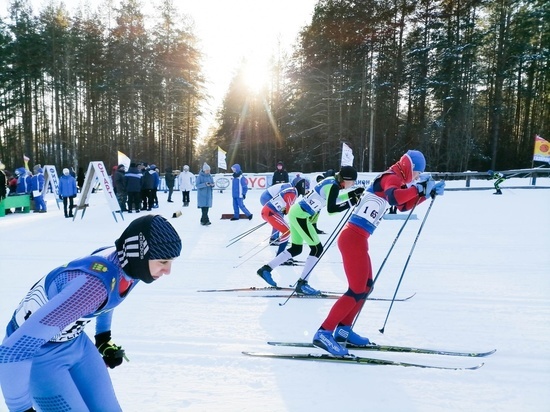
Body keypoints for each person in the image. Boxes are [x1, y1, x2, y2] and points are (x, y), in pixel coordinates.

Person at [0, 215, 182, 411]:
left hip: (75, 344)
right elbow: (13, 350)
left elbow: (108, 298)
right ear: (138, 253)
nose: (167, 270)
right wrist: (20, 409)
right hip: (38, 356)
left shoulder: (129, 266)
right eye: (163, 261)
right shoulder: (92, 287)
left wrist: (103, 336)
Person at [312, 150, 445, 356]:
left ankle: (343, 331)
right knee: (356, 289)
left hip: (359, 238)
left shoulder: (397, 179)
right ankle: (324, 332)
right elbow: (394, 198)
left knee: (365, 287)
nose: (417, 177)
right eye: (417, 173)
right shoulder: (391, 177)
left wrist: (425, 194)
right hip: (352, 238)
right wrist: (418, 188)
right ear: (410, 167)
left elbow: (403, 205)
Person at [256, 166, 363, 295]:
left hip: (298, 213)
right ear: (346, 179)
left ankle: (265, 269)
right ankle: (302, 284)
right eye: (352, 182)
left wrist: (351, 195)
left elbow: (333, 200)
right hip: (300, 215)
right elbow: (331, 210)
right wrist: (351, 202)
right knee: (317, 249)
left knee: (296, 249)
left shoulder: (332, 182)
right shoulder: (334, 186)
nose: (353, 185)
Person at [260, 179, 306, 255]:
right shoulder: (290, 189)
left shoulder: (292, 189)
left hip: (268, 205)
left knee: (282, 222)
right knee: (282, 223)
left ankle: (277, 240)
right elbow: (280, 197)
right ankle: (275, 240)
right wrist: (282, 209)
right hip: (267, 198)